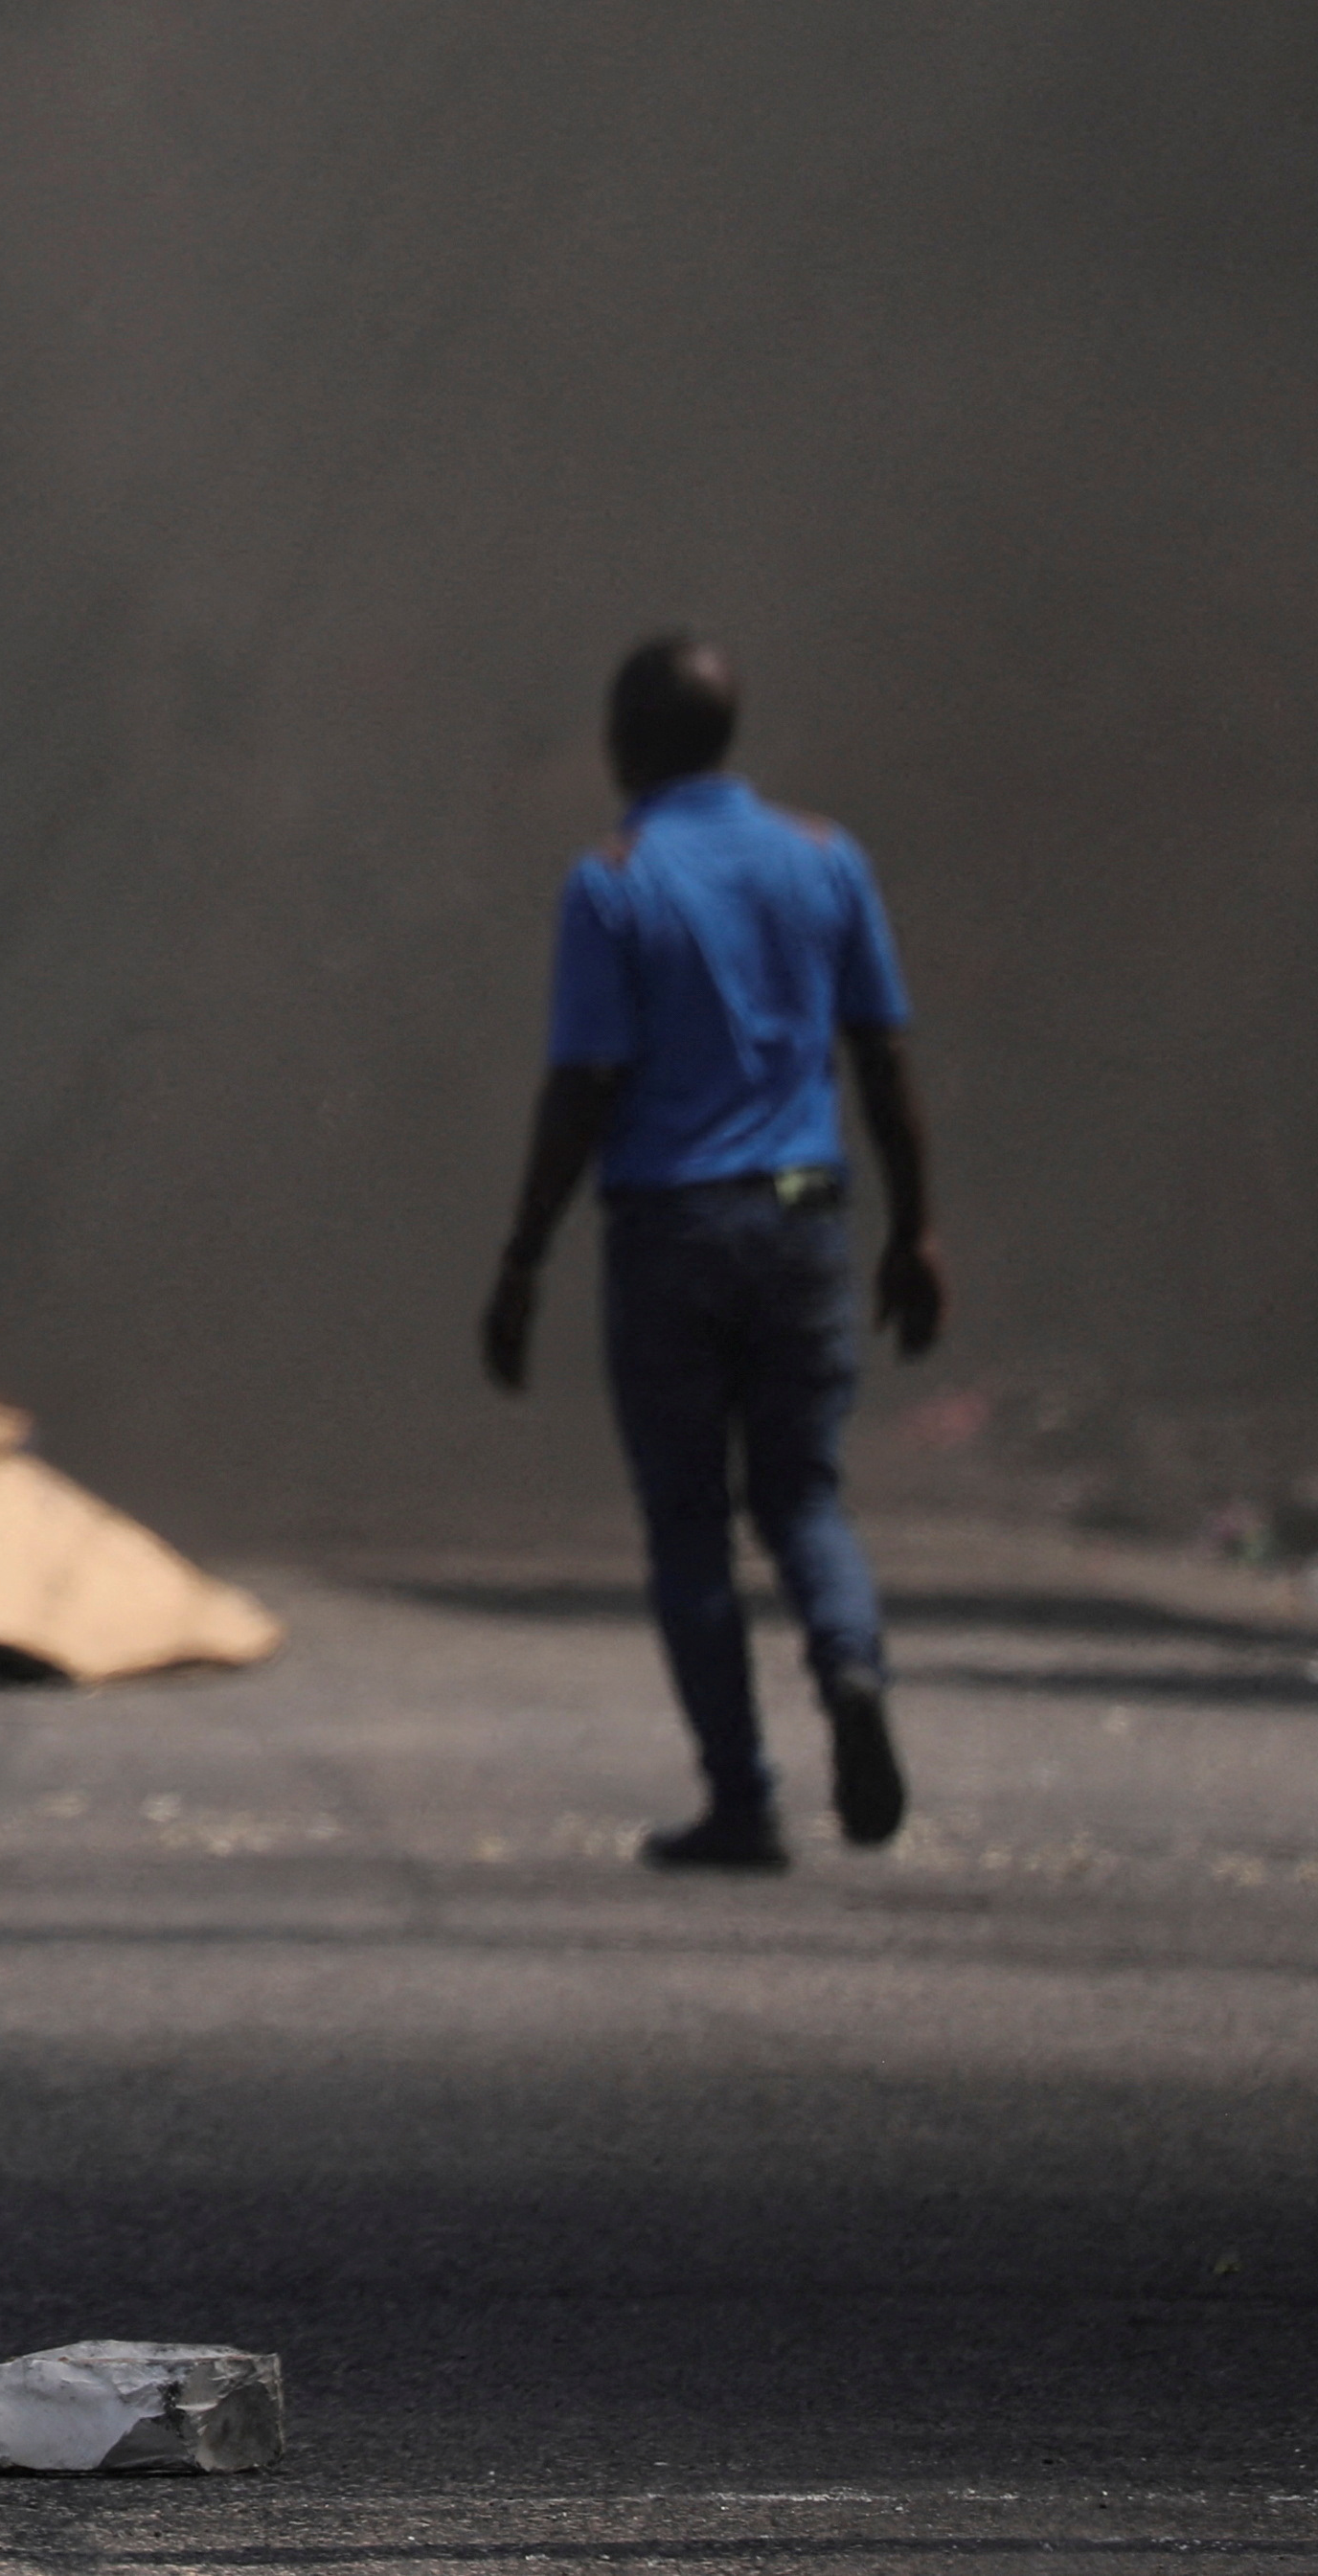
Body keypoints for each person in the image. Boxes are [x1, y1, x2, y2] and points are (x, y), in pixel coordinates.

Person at [479, 634, 943, 1871]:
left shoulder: (616, 879)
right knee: (803, 1493)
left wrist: (524, 1253)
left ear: (625, 743)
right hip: (804, 1212)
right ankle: (850, 1668)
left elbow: (585, 1080)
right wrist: (917, 1225)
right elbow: (882, 1054)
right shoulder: (825, 858)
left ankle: (743, 1799)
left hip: (672, 1228)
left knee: (688, 1524)